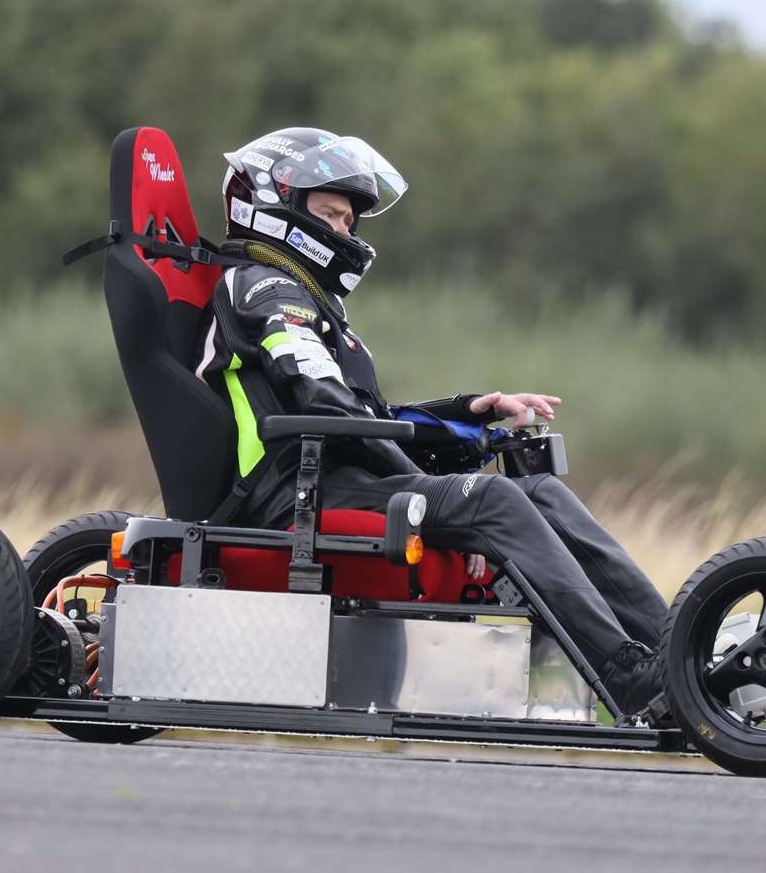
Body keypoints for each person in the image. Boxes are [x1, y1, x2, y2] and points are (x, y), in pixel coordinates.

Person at [199, 127, 667, 717]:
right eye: (331, 214)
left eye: (349, 220)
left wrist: (464, 413)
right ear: (275, 207)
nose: (344, 231)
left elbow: (365, 417)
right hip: (295, 491)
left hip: (342, 475)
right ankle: (624, 674)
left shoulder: (311, 301)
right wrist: (439, 496)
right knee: (492, 500)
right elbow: (324, 404)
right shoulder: (265, 287)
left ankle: (673, 649)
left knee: (539, 490)